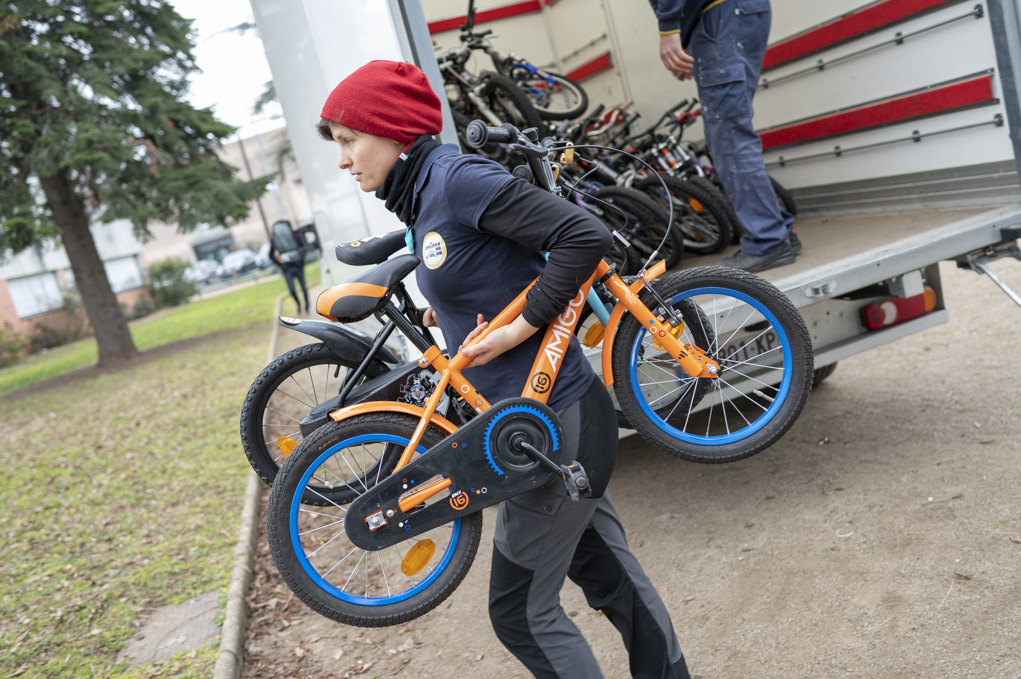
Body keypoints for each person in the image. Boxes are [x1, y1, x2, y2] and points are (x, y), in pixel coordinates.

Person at [317, 60, 692, 679]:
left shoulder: (455, 178)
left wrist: (521, 327)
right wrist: (454, 314)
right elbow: (496, 269)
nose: (343, 159)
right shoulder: (423, 195)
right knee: (613, 581)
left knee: (520, 613)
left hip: (553, 427)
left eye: (349, 141)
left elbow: (582, 234)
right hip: (540, 427)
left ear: (391, 131)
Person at [649, 0, 800, 273]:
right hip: (734, 14)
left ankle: (768, 240)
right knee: (732, 129)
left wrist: (669, 30)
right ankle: (778, 232)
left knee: (729, 135)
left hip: (721, 17)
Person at [269, 219, 310, 314]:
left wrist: (301, 260)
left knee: (304, 288)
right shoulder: (275, 240)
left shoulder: (295, 236)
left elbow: (304, 247)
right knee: (292, 290)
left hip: (298, 266)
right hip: (288, 269)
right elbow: (270, 255)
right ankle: (298, 304)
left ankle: (307, 307)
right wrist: (281, 264)